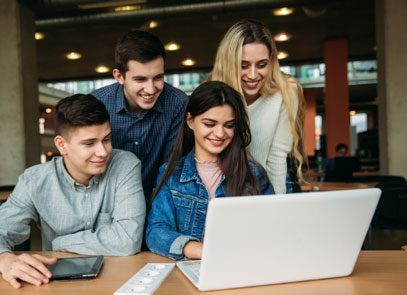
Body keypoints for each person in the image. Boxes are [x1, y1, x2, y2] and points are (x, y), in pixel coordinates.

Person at [0, 94, 146, 288]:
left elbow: (128, 240)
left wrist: (60, 242)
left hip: (118, 280)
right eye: (89, 143)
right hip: (54, 286)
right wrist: (4, 260)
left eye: (106, 139)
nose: (103, 151)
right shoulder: (35, 180)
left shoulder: (125, 164)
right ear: (61, 145)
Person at [145, 81, 274, 260]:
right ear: (190, 121)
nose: (220, 133)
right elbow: (155, 232)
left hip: (243, 267)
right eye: (210, 124)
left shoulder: (254, 174)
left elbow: (272, 230)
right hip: (190, 271)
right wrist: (200, 250)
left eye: (229, 125)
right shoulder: (171, 174)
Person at [208, 18, 306, 194]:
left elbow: (277, 158)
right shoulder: (214, 92)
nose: (253, 75)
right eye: (243, 66)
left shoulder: (285, 91)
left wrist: (275, 208)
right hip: (224, 186)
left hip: (269, 185)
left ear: (272, 60)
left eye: (262, 65)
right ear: (229, 63)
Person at [90, 30, 188, 202]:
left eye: (158, 78)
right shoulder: (97, 103)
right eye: (140, 80)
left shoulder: (178, 103)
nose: (151, 89)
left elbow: (171, 167)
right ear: (119, 76)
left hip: (159, 199)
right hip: (107, 201)